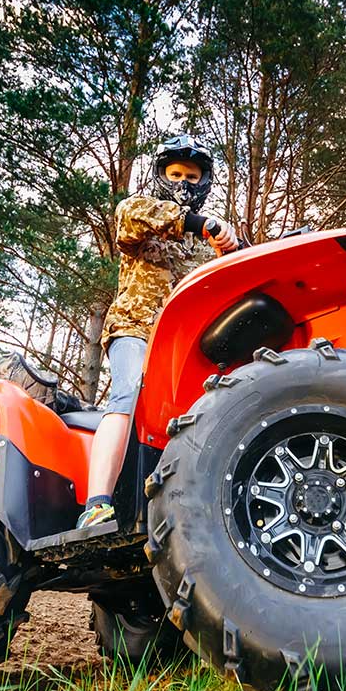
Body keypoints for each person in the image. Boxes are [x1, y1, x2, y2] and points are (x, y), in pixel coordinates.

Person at [76, 135, 238, 528]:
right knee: (127, 394)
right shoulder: (139, 214)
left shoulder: (205, 245)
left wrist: (230, 246)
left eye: (192, 176)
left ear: (204, 182)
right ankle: (96, 503)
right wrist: (205, 224)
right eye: (176, 173)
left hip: (184, 346)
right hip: (136, 328)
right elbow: (133, 216)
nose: (183, 182)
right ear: (161, 176)